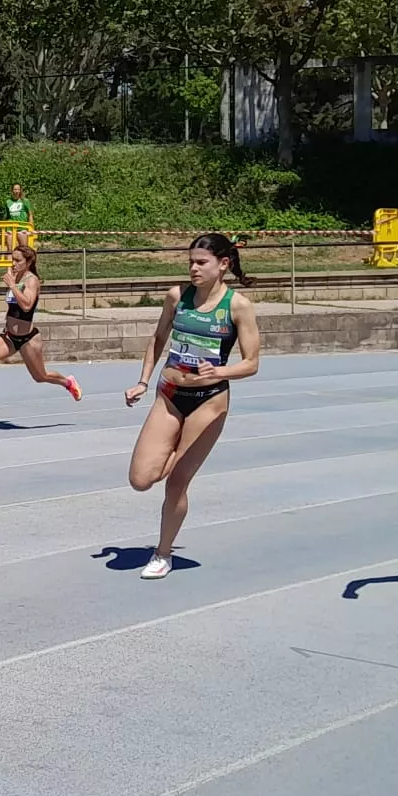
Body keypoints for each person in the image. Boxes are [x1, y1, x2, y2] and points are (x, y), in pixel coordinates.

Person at [123, 234, 262, 579]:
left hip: (209, 401)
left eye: (201, 262)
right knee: (141, 479)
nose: (194, 269)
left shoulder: (237, 306)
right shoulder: (177, 296)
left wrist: (220, 372)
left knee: (176, 483)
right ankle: (173, 453)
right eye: (191, 262)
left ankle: (162, 553)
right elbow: (158, 339)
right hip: (169, 394)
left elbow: (251, 363)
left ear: (223, 264)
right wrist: (142, 381)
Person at [0, 243, 81, 417]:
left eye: (17, 260)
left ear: (28, 262)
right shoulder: (15, 276)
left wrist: (12, 285)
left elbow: (27, 306)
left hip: (28, 339)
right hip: (9, 336)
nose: (13, 263)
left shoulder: (31, 280)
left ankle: (67, 382)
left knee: (40, 376)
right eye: (12, 259)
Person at [3, 184, 35, 248]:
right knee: (10, 250)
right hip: (10, 228)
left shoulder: (25, 201)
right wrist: (4, 229)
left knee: (24, 249)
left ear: (20, 190)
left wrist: (31, 227)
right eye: (15, 189)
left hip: (22, 227)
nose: (17, 191)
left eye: (18, 189)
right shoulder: (8, 202)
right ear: (12, 191)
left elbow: (30, 215)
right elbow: (6, 216)